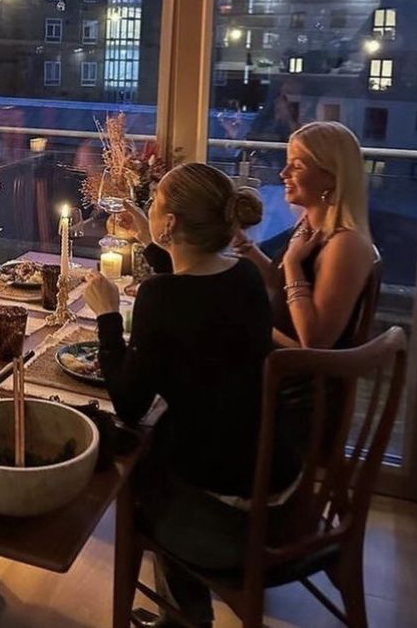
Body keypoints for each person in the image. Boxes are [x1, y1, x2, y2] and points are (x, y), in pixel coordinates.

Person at [83, 163, 299, 628]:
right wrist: (148, 238)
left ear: (173, 223)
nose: (151, 207)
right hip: (284, 494)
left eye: (155, 202)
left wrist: (105, 318)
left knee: (131, 464)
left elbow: (128, 403)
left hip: (228, 521)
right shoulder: (242, 276)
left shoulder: (160, 299)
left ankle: (186, 618)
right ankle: (185, 614)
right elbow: (191, 295)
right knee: (163, 443)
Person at [233, 121, 375, 349]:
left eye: (296, 166)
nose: (283, 174)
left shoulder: (346, 245)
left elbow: (314, 341)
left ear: (331, 177)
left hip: (288, 372)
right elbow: (282, 284)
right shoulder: (308, 225)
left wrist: (292, 263)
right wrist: (246, 247)